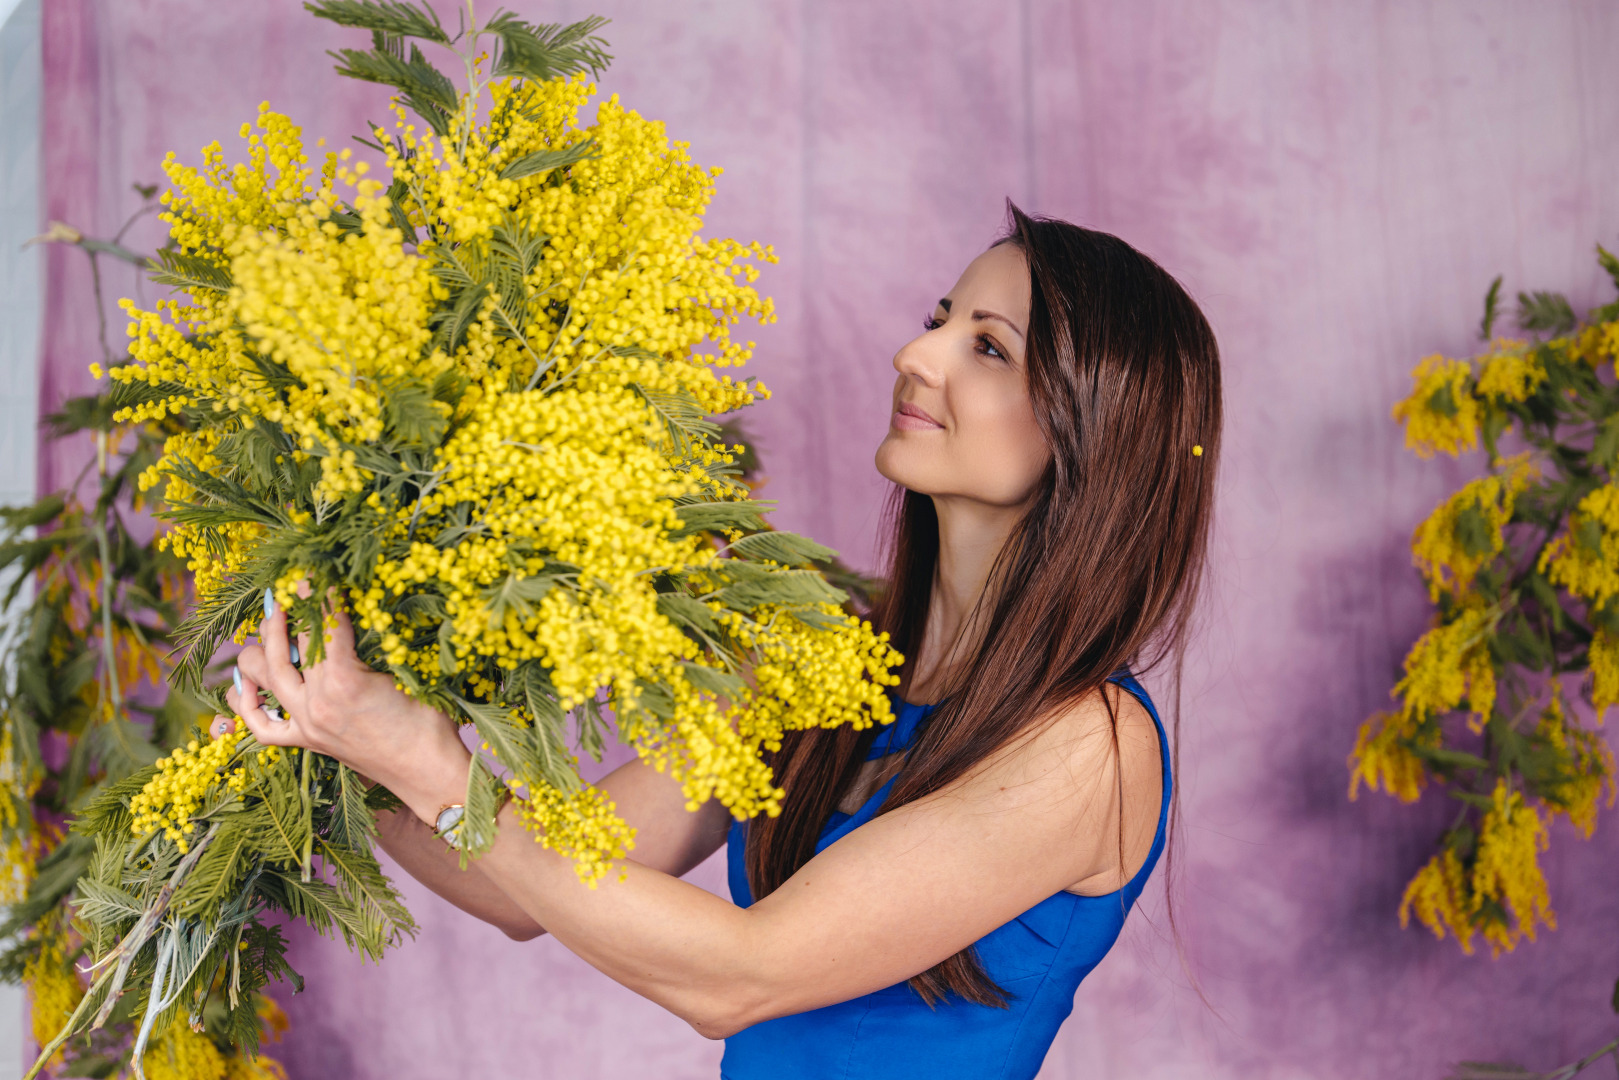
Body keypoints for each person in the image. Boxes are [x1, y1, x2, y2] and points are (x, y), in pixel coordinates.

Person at [219, 204, 1222, 1080]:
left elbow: (740, 977)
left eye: (987, 347)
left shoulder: (1090, 747)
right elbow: (527, 886)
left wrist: (433, 769)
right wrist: (335, 745)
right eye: (938, 321)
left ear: (1093, 433)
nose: (915, 356)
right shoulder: (819, 653)